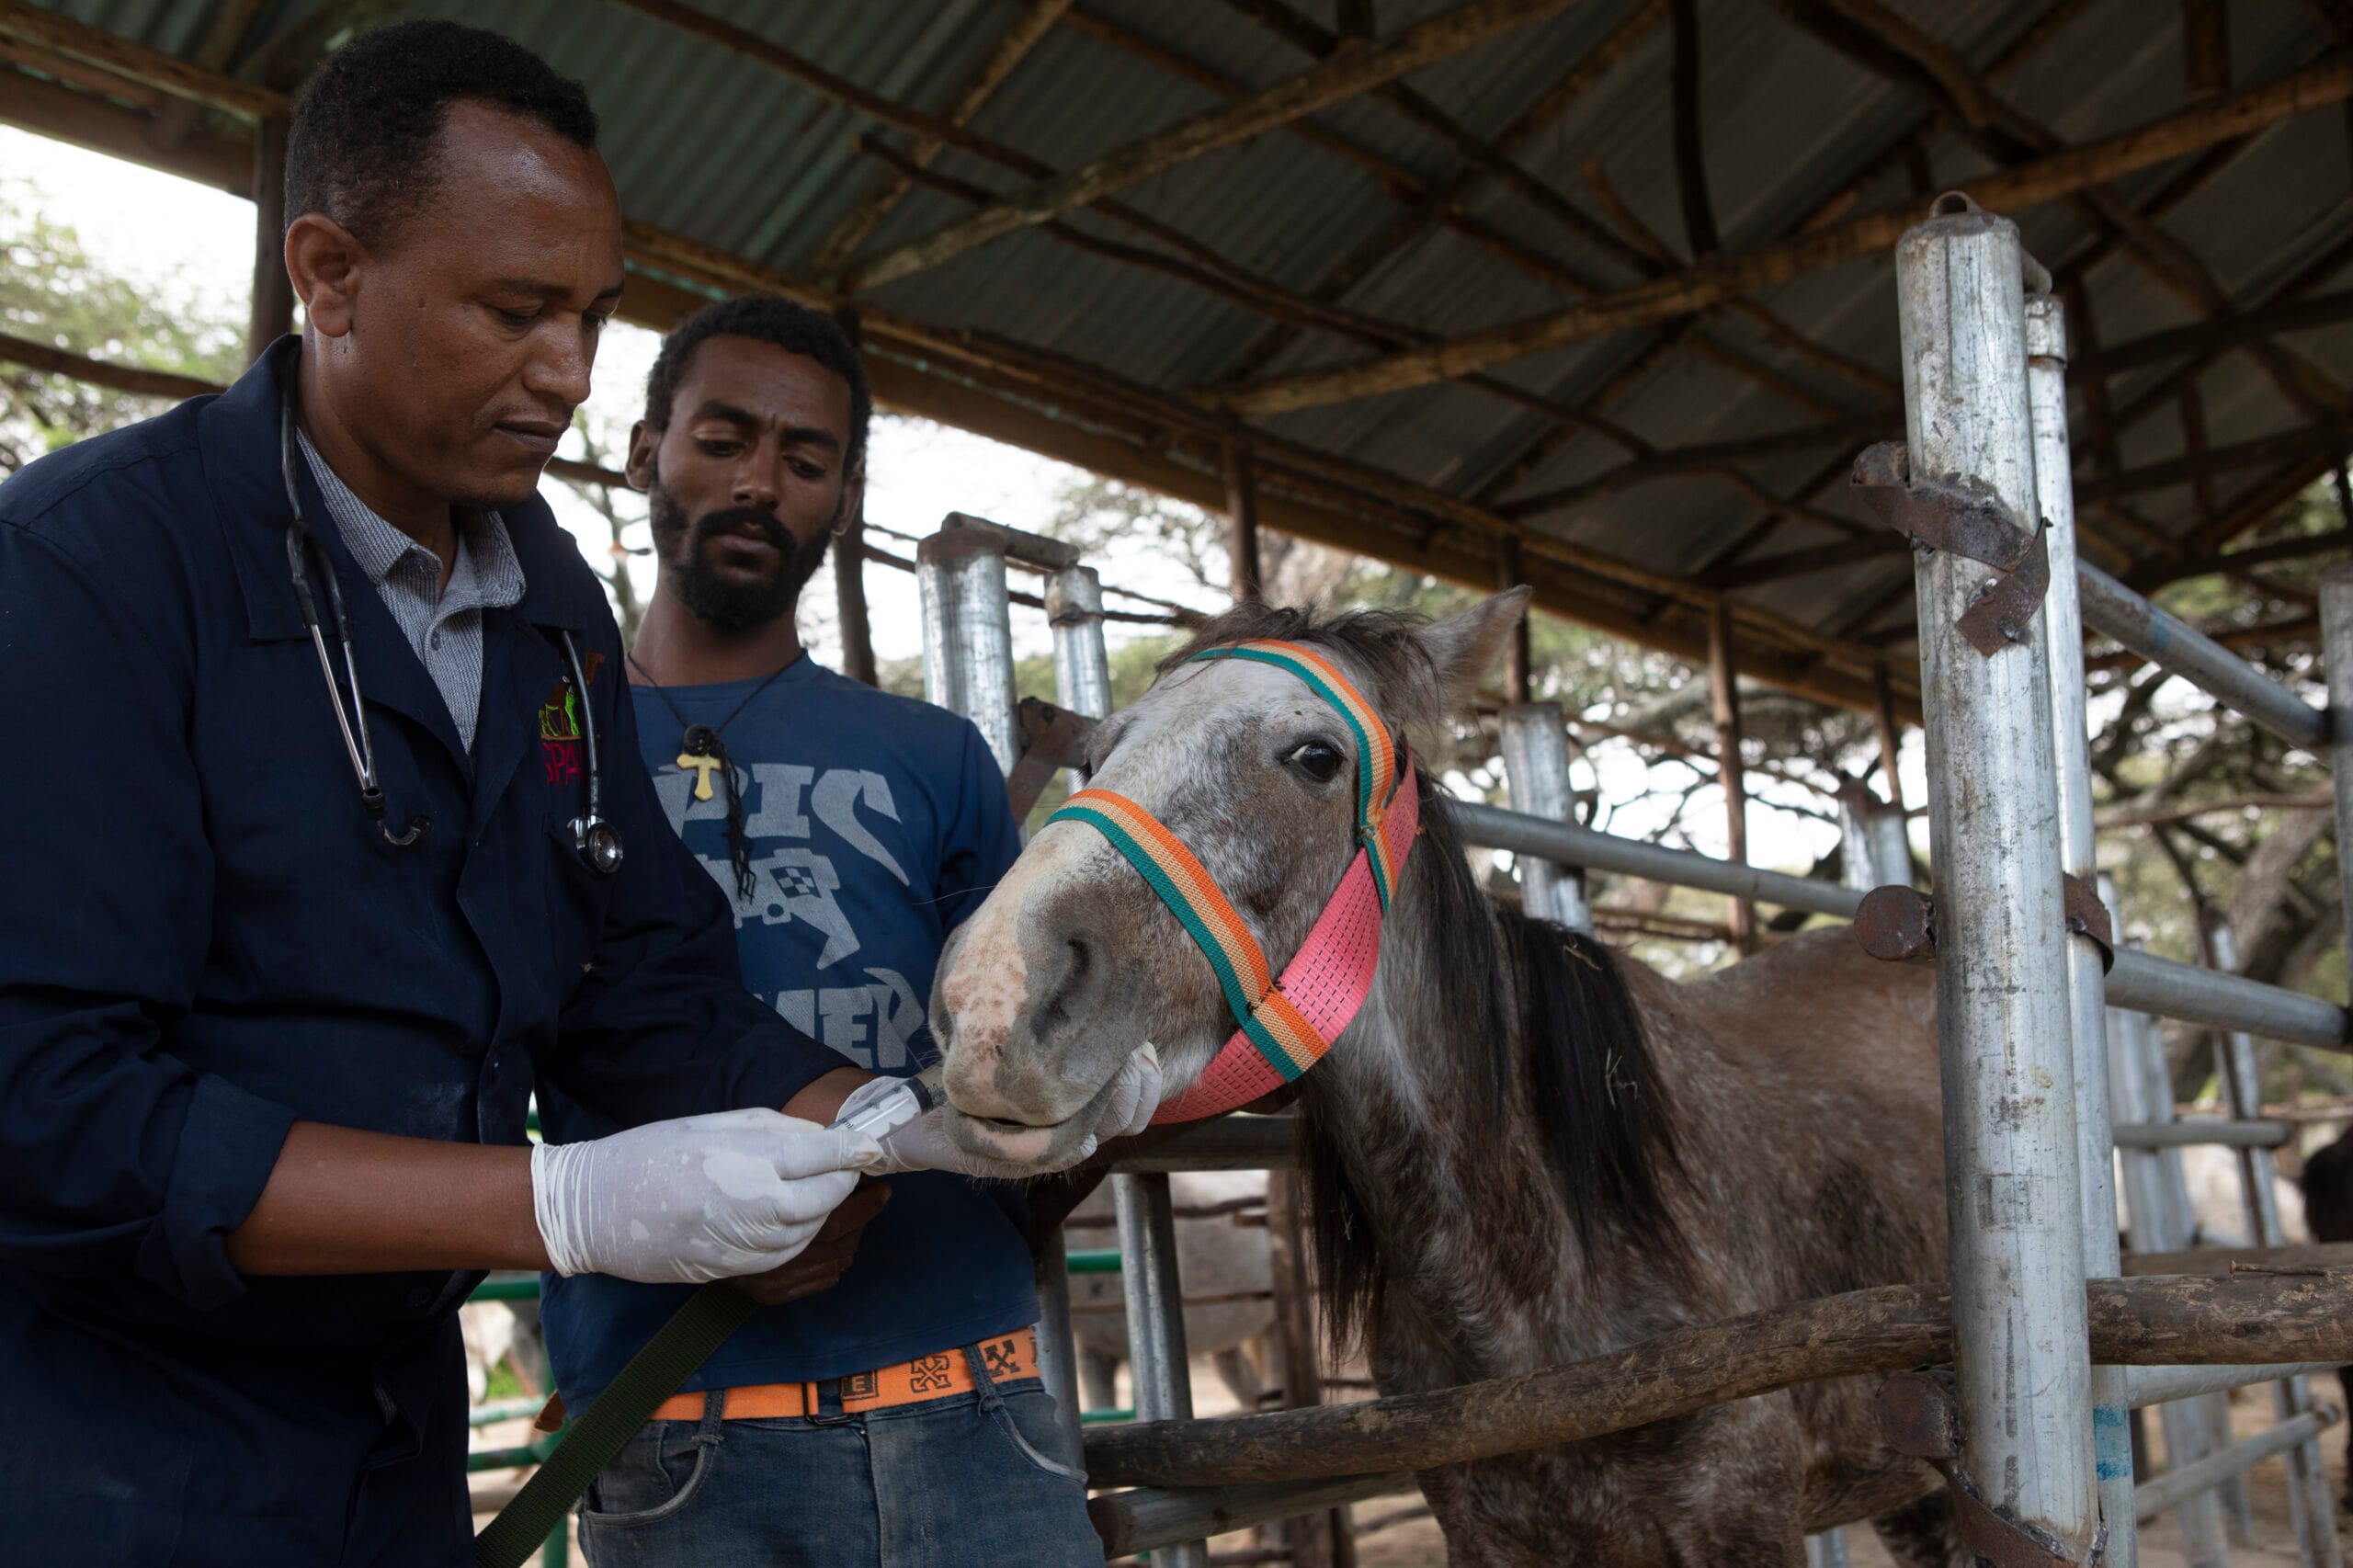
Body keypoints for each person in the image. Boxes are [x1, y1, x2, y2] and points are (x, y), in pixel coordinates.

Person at [0, 25, 1142, 1567]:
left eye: (595, 315)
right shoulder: (95, 571)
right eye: (515, 310)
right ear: (329, 275)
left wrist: (890, 1121)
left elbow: (637, 966)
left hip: (386, 1431)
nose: (569, 372)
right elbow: (50, 1108)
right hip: (114, 1447)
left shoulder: (540, 596)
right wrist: (561, 1209)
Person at [541, 296, 1116, 1567]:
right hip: (682, 1430)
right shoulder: (546, 751)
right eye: (723, 439)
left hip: (973, 1404)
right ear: (645, 451)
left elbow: (1027, 1051)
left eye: (805, 461)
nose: (759, 483)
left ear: (845, 498)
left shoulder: (933, 757)